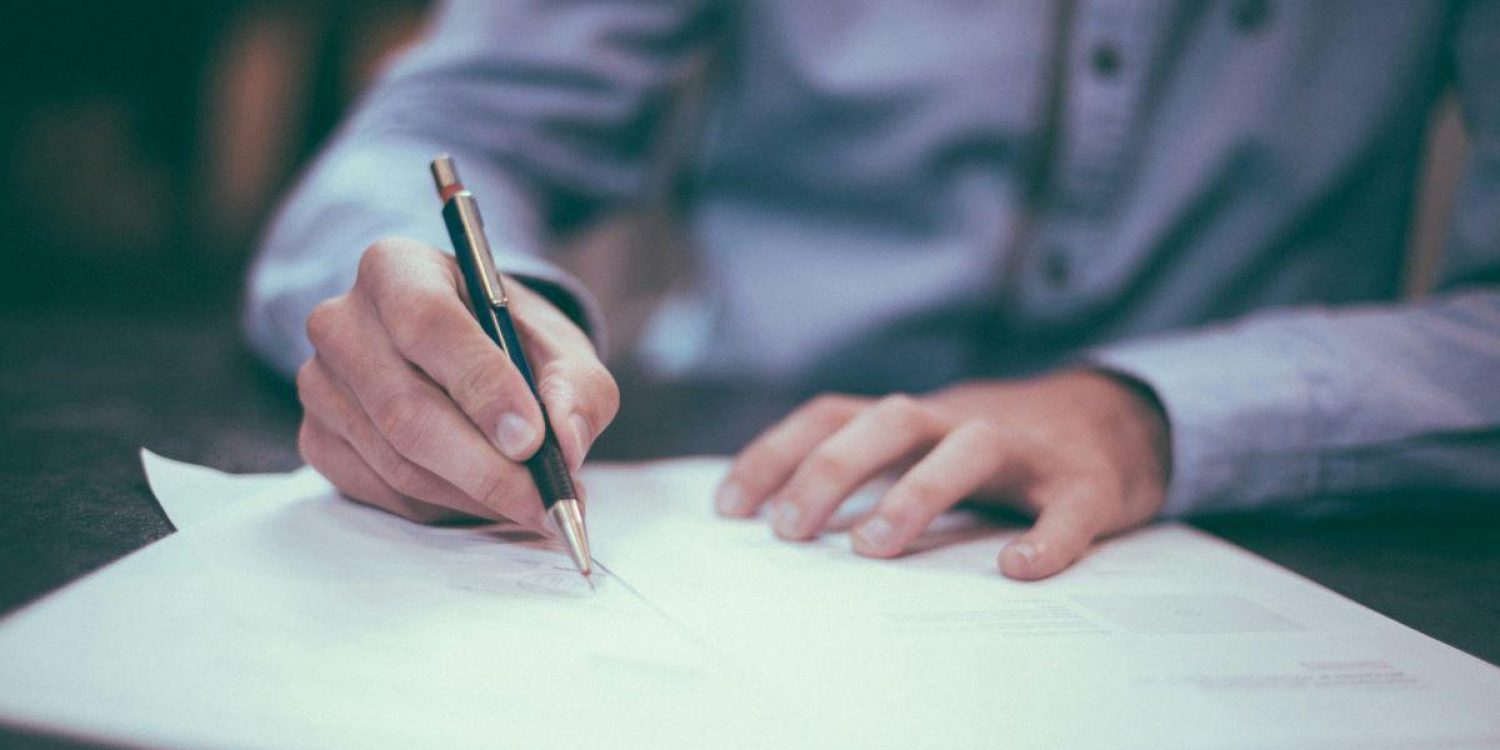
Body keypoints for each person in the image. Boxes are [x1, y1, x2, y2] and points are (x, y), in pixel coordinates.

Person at [245, 1, 1500, 580]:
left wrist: (1150, 413)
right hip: (739, 486)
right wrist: (456, 323)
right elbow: (440, 129)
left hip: (1271, 535)